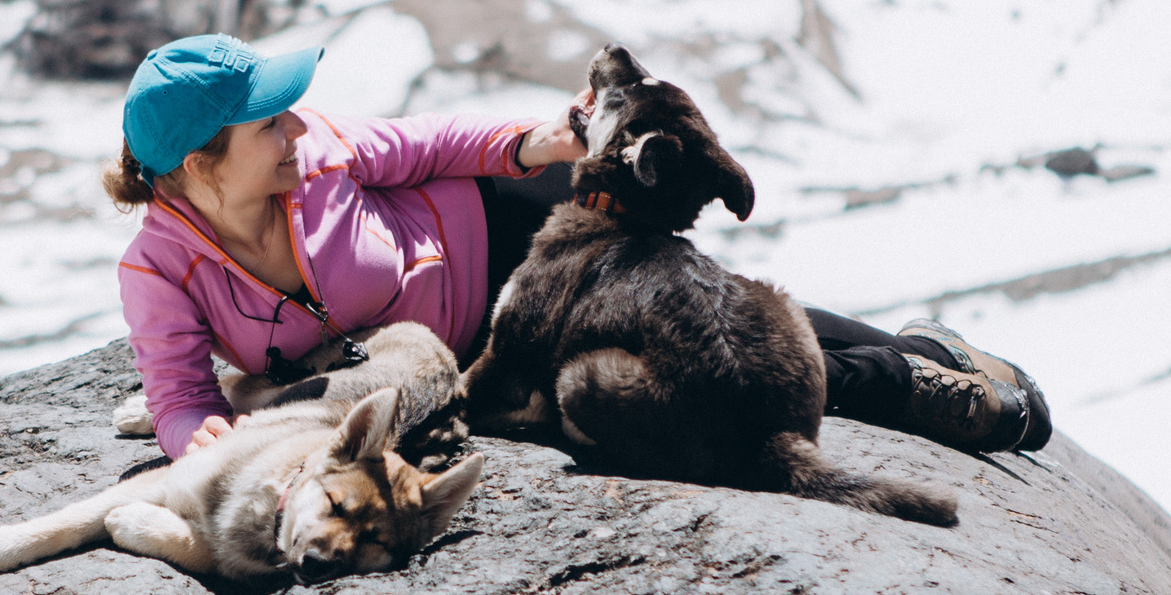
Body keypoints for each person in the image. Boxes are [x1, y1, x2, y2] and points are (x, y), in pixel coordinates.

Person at [106, 34, 1048, 460]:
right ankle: (916, 367)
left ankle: (917, 371)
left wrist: (536, 147)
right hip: (482, 345)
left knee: (704, 333)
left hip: (521, 227)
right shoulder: (158, 272)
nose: (296, 130)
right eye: (268, 123)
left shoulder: (322, 152)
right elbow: (180, 399)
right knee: (691, 365)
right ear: (200, 163)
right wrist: (207, 442)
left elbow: (434, 143)